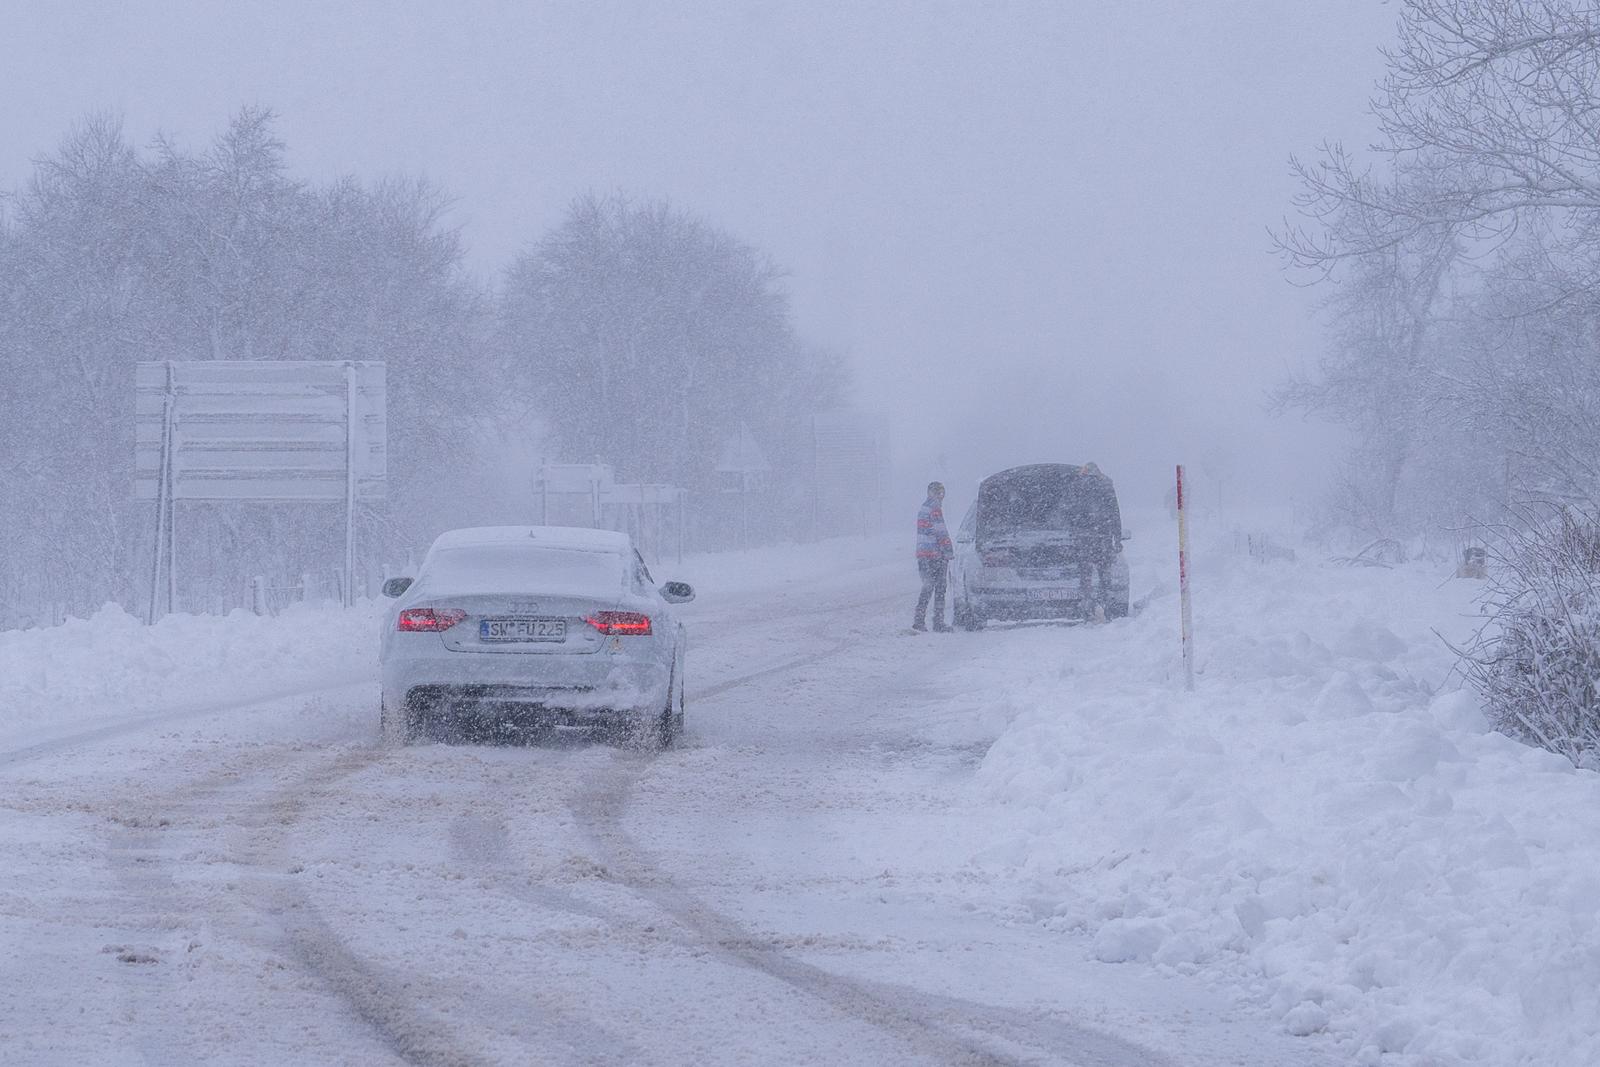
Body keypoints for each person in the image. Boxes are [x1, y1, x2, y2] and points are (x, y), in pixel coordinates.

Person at [913, 481, 954, 632]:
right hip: (936, 555)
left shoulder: (923, 508)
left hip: (923, 554)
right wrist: (948, 550)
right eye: (939, 492)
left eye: (942, 493)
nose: (941, 496)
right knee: (940, 588)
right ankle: (938, 621)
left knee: (927, 586)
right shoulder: (935, 508)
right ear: (932, 493)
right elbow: (941, 532)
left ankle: (919, 619)